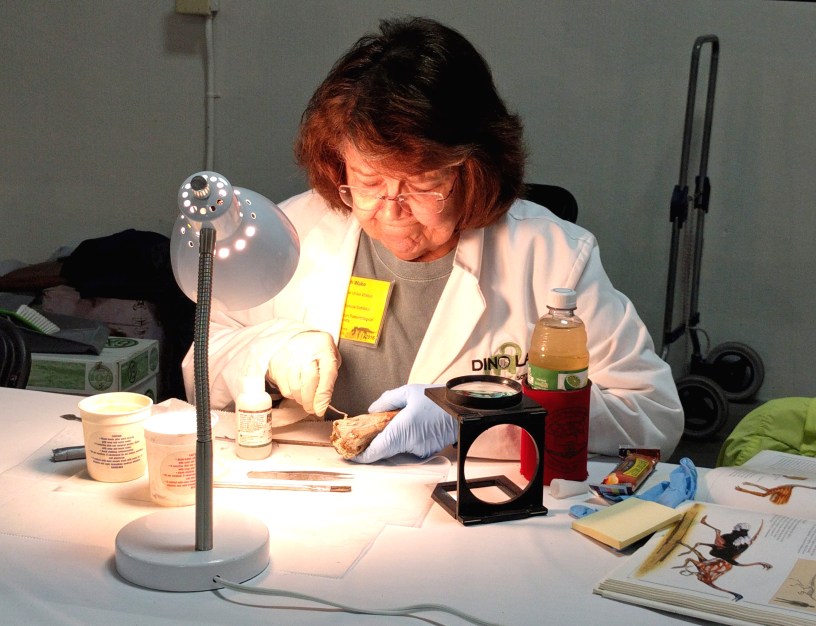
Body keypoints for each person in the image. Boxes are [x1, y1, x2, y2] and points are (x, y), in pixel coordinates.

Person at [182, 16, 683, 463]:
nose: (391, 210)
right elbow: (203, 362)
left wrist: (476, 415)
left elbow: (652, 415)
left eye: (422, 184)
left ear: (474, 168)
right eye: (368, 181)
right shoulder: (289, 233)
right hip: (325, 501)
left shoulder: (551, 257)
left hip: (474, 509)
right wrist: (273, 353)